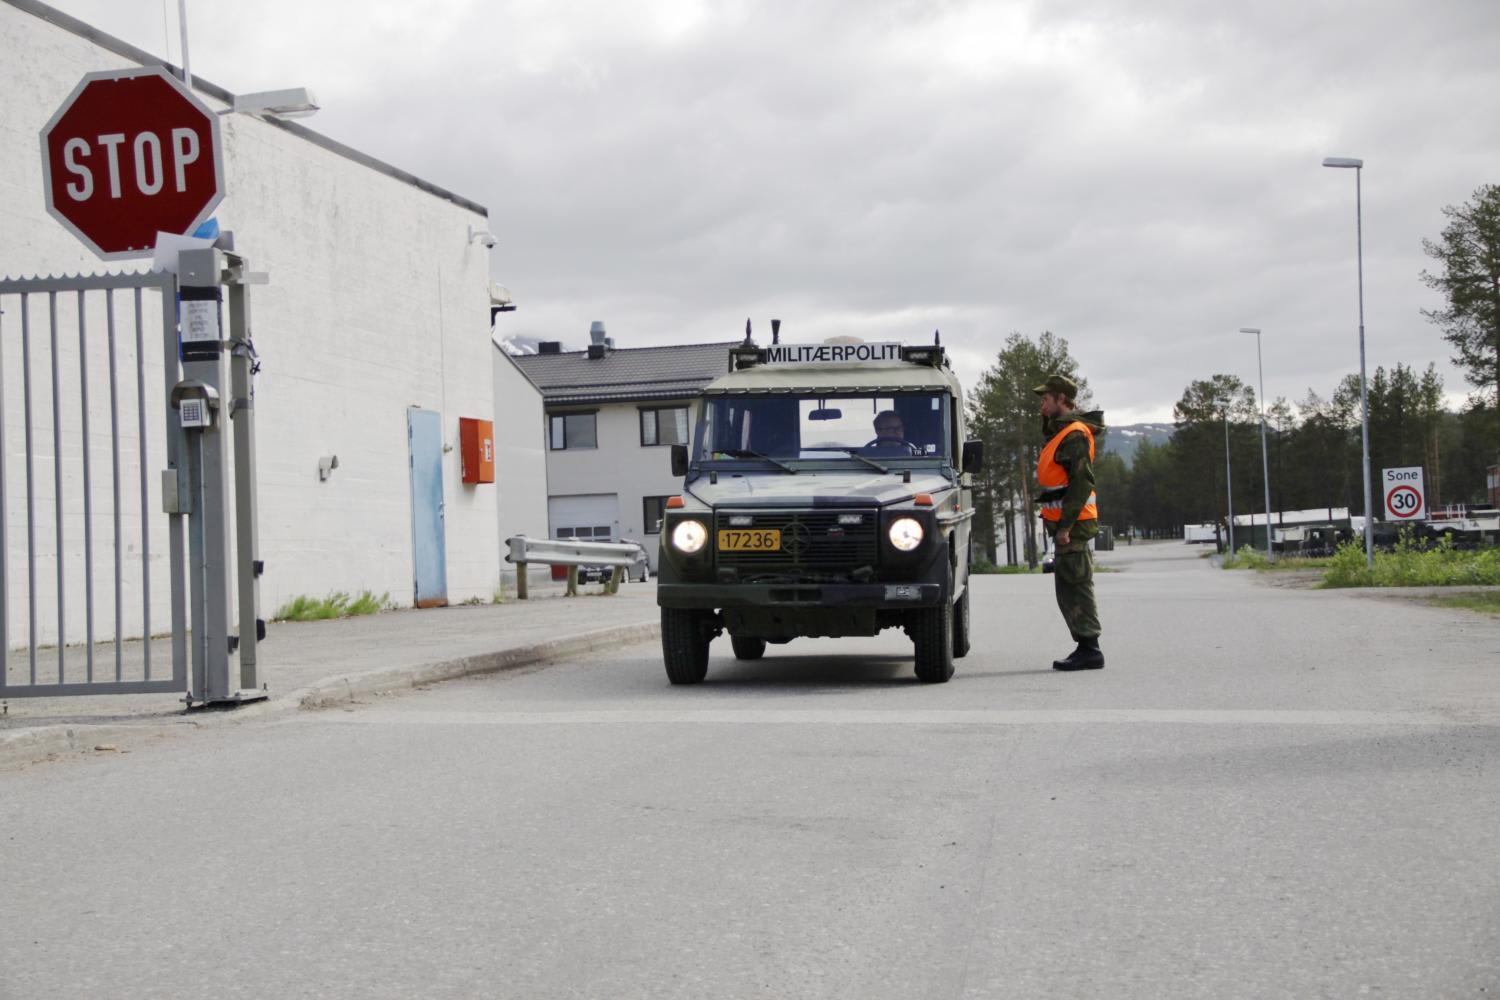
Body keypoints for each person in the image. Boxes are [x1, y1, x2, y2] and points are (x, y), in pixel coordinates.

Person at [1033, 374, 1106, 670]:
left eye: (1046, 399)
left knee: (1076, 585)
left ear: (1062, 399)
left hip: (1073, 525)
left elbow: (1081, 482)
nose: (1042, 404)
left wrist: (1065, 526)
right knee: (1068, 585)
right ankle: (1086, 647)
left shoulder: (1075, 434)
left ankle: (1090, 649)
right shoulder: (1062, 431)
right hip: (1067, 524)